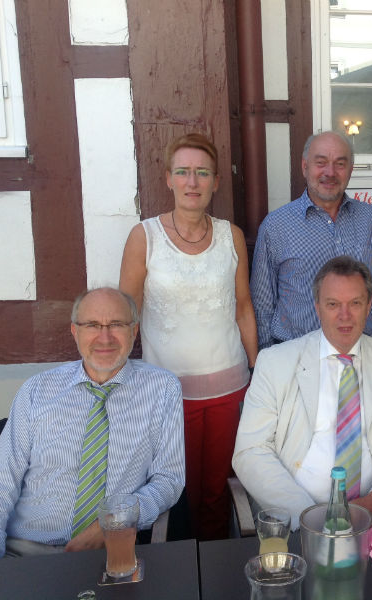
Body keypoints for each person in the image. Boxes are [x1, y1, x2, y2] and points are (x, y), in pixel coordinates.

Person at [0, 288, 185, 561]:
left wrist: (115, 521)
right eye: (92, 325)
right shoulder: (37, 390)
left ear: (134, 331)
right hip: (24, 552)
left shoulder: (163, 389)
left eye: (116, 324)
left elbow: (169, 480)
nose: (105, 337)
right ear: (74, 331)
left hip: (111, 551)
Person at [119, 132, 257, 540]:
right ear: (168, 179)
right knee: (175, 492)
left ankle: (215, 570)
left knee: (218, 491)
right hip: (167, 393)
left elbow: (243, 306)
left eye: (202, 173)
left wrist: (255, 369)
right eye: (183, 172)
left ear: (215, 181)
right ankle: (181, 572)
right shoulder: (144, 237)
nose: (192, 182)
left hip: (229, 389)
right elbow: (127, 315)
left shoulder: (230, 236)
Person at [233, 256, 372, 527]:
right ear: (318, 307)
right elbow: (250, 452)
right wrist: (309, 517)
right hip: (295, 523)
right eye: (333, 304)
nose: (344, 316)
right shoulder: (276, 363)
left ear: (369, 305)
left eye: (355, 303)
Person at [251, 131, 372, 349]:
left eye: (340, 164)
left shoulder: (371, 220)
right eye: (321, 163)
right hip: (296, 354)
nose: (330, 173)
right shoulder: (276, 226)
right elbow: (262, 304)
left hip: (358, 351)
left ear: (350, 169)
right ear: (305, 167)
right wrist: (266, 360)